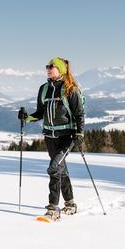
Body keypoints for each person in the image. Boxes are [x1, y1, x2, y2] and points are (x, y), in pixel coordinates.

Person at [17, 57, 85, 220]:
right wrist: (26, 117)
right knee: (61, 169)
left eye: (51, 66)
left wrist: (80, 134)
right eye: (47, 66)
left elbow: (79, 114)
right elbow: (40, 113)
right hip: (49, 137)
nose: (48, 69)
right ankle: (70, 203)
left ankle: (53, 208)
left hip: (66, 136)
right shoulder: (44, 89)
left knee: (54, 167)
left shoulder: (70, 89)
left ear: (60, 69)